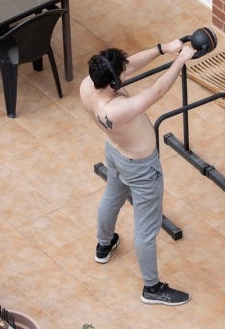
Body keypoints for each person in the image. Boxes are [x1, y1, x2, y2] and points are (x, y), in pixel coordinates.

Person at [80, 38, 195, 306]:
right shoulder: (116, 110)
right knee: (147, 228)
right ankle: (152, 288)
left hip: (115, 152)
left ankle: (103, 244)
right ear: (114, 84)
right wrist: (180, 59)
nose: (125, 73)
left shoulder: (89, 85)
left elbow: (126, 66)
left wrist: (162, 49)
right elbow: (156, 91)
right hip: (141, 168)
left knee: (112, 196)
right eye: (121, 75)